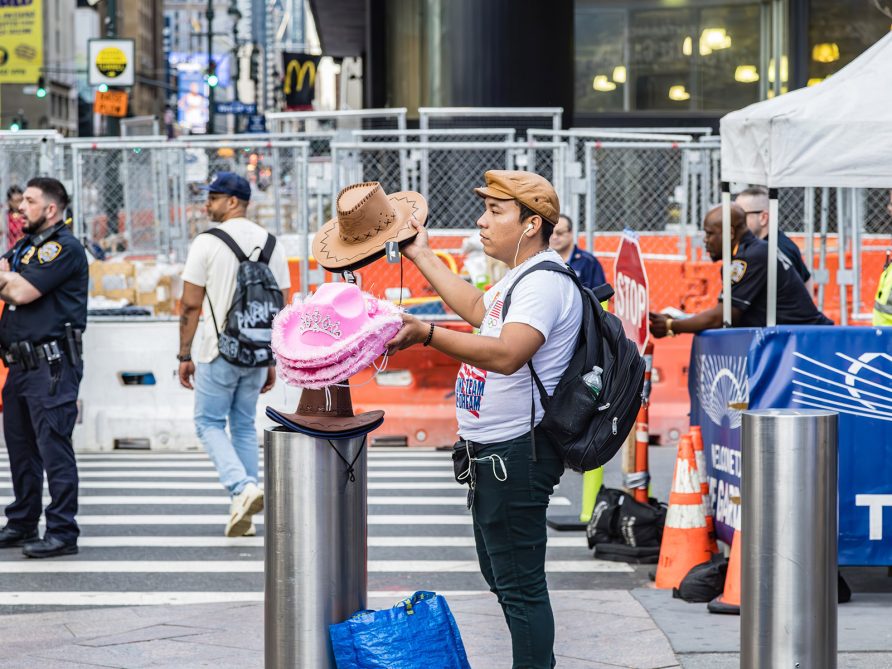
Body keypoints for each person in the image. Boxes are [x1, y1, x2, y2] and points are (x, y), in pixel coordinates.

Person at [387, 170, 582, 668]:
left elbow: (507, 354)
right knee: (504, 579)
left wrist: (427, 333)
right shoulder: (517, 279)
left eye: (497, 211)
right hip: (491, 455)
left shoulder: (543, 281)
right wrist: (419, 253)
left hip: (517, 455)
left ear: (531, 223)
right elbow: (477, 308)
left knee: (520, 589)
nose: (482, 220)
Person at [178, 173, 290, 537]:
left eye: (213, 197)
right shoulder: (273, 243)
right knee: (242, 424)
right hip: (258, 351)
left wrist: (183, 353)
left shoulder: (206, 243)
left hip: (218, 350)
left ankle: (242, 488)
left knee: (208, 423)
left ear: (233, 202)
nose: (206, 203)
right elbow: (282, 308)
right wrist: (272, 357)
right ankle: (244, 507)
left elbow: (190, 305)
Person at [0, 177, 88, 558]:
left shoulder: (62, 249)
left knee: (53, 447)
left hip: (50, 365)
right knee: (20, 449)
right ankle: (22, 521)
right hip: (19, 365)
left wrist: (9, 278)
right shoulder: (26, 247)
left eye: (30, 202)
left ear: (50, 208)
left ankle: (62, 530)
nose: (21, 208)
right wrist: (8, 276)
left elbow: (19, 290)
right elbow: (8, 276)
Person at [649, 204, 832, 338]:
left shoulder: (750, 257)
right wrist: (682, 319)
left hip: (809, 340)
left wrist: (672, 325)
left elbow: (724, 316)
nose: (705, 240)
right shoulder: (754, 250)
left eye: (710, 233)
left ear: (729, 232)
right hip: (800, 337)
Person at [734, 186, 813, 292]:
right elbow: (806, 280)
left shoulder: (773, 251)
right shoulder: (783, 243)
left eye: (741, 215)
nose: (735, 221)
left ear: (763, 218)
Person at [549, 213, 606, 290]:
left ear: (571, 232)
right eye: (551, 233)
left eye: (560, 233)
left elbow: (601, 294)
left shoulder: (588, 262)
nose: (554, 237)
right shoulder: (544, 260)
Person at [6, 185, 24, 250]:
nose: (19, 204)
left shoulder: (26, 216)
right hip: (10, 250)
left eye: (21, 200)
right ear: (10, 202)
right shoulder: (6, 217)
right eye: (16, 201)